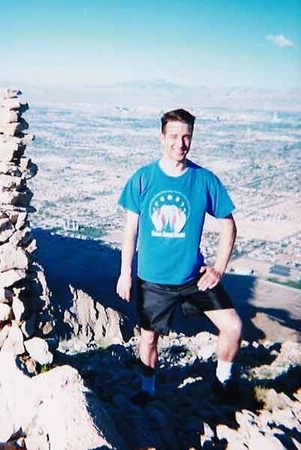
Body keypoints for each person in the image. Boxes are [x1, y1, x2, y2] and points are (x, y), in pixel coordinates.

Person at [116, 109, 242, 406]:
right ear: (162, 138)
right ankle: (147, 389)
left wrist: (219, 269)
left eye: (186, 137)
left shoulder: (204, 180)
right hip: (154, 279)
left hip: (193, 276)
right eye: (173, 136)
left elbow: (229, 225)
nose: (180, 143)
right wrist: (125, 272)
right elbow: (130, 229)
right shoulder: (143, 178)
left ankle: (223, 382)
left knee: (233, 327)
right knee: (148, 338)